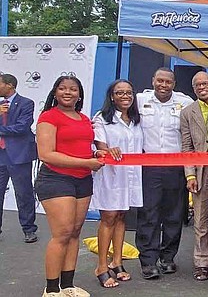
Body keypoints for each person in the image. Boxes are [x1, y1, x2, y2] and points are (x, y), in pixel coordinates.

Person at [34, 75, 107, 297]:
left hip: (83, 180)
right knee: (62, 233)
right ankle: (52, 288)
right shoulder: (48, 117)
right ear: (55, 93)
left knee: (75, 233)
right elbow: (46, 154)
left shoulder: (84, 118)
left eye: (73, 89)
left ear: (79, 94)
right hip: (56, 179)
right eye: (63, 88)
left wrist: (96, 153)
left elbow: (82, 147)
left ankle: (68, 286)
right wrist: (87, 162)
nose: (68, 92)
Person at [135, 67, 194, 279]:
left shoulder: (185, 102)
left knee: (174, 215)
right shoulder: (139, 100)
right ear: (153, 80)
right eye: (159, 80)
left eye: (168, 82)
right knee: (149, 214)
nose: (163, 85)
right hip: (149, 167)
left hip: (176, 167)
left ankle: (168, 258)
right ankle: (148, 261)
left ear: (174, 83)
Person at [90, 79, 142, 288]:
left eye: (129, 92)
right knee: (109, 217)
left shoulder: (137, 119)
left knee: (122, 216)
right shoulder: (102, 118)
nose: (125, 96)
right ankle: (101, 266)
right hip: (111, 175)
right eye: (120, 93)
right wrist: (107, 150)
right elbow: (100, 145)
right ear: (112, 96)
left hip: (130, 175)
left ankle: (117, 262)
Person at [180, 71, 208, 281]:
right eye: (197, 85)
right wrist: (190, 175)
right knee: (201, 220)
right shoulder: (188, 112)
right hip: (201, 170)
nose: (201, 87)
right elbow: (187, 147)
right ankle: (201, 263)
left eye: (205, 83)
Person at [0, 73, 39, 243]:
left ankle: (29, 229)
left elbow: (22, 127)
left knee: (23, 193)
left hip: (19, 155)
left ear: (9, 85)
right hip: (1, 155)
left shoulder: (25, 103)